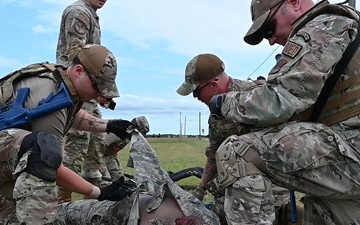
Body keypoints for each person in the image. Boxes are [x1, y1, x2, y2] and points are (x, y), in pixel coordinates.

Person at [205, 0, 360, 224]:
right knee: (321, 208)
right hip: (349, 151)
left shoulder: (322, 27)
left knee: (239, 152)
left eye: (270, 28)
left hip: (352, 149)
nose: (271, 41)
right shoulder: (343, 26)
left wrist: (224, 103)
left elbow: (278, 101)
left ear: (294, 2)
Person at [0, 44, 137, 224]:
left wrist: (109, 125)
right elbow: (50, 164)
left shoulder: (61, 81)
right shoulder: (50, 92)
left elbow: (72, 117)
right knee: (42, 152)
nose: (99, 94)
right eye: (97, 87)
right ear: (79, 70)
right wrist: (100, 192)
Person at [176, 53, 302, 225]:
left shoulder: (261, 97)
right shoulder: (216, 115)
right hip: (236, 192)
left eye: (196, 92)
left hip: (270, 193)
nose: (196, 98)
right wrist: (201, 189)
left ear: (213, 85)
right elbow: (213, 154)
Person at [54, 128, 220, 225]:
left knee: (60, 214)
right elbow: (106, 150)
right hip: (139, 196)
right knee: (59, 213)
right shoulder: (207, 217)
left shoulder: (206, 216)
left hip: (124, 209)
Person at [56, 0, 109, 202]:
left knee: (96, 144)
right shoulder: (79, 12)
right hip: (75, 89)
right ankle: (63, 205)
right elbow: (78, 58)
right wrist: (97, 89)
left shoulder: (90, 14)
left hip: (88, 90)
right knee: (76, 147)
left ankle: (92, 207)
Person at [101, 116, 150, 181]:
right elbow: (98, 146)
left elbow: (114, 151)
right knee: (106, 181)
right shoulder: (118, 131)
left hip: (108, 157)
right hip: (97, 156)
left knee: (120, 179)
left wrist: (116, 165)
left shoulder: (128, 136)